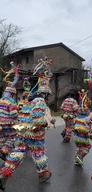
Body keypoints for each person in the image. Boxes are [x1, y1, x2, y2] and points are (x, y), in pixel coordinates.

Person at [0, 58, 53, 191]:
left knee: (18, 152)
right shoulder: (40, 101)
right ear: (45, 93)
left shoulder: (27, 101)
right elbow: (37, 119)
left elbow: (22, 117)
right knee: (39, 153)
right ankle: (43, 174)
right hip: (34, 133)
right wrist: (46, 123)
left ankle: (4, 174)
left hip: (22, 131)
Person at [0, 65, 19, 161]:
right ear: (12, 93)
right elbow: (14, 114)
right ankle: (4, 151)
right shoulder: (11, 102)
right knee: (12, 137)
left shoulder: (1, 100)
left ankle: (2, 151)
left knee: (1, 138)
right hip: (8, 124)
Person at [73, 89, 91, 166]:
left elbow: (74, 126)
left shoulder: (77, 117)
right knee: (87, 147)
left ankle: (77, 160)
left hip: (77, 137)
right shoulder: (88, 118)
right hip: (84, 136)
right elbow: (89, 127)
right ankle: (80, 157)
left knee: (79, 147)